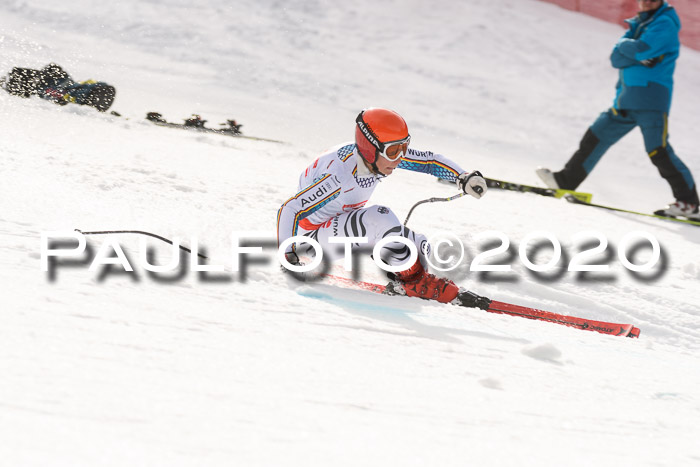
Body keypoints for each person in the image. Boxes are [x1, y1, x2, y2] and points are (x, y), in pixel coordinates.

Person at [276, 108, 487, 304]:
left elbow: (429, 161)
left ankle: (408, 277)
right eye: (394, 151)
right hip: (309, 241)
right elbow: (290, 209)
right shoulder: (338, 177)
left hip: (339, 223)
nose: (399, 158)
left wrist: (462, 177)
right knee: (379, 217)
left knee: (419, 247)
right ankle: (414, 283)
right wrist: (289, 257)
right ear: (370, 148)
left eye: (404, 148)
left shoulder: (377, 156)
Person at [536, 0, 699, 220]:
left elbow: (642, 49)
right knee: (596, 135)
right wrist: (632, 53)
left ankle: (690, 205)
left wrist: (629, 49)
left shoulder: (665, 23)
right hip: (626, 98)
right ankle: (566, 180)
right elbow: (616, 59)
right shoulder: (639, 25)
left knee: (658, 151)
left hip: (650, 100)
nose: (647, 2)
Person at [2, 63, 116, 112]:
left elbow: (59, 95)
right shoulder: (76, 94)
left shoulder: (70, 94)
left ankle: (9, 82)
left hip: (60, 88)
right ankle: (10, 83)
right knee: (52, 71)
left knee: (52, 71)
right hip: (62, 88)